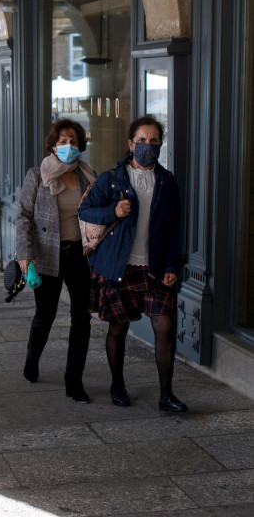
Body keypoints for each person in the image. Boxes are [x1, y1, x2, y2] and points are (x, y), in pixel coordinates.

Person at [78, 116, 186, 412]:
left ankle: (166, 395)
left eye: (153, 141)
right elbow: (86, 210)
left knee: (164, 325)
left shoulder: (167, 182)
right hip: (119, 267)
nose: (147, 146)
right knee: (118, 328)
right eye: (141, 141)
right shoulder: (111, 179)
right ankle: (117, 385)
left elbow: (175, 230)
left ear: (161, 145)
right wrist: (113, 210)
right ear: (130, 144)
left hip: (154, 267)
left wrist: (173, 266)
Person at [16, 119, 97, 403]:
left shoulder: (87, 176)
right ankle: (31, 360)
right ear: (52, 145)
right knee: (45, 316)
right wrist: (25, 255)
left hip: (79, 255)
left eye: (73, 141)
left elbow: (95, 215)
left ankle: (73, 380)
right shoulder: (37, 175)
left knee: (82, 319)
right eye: (63, 141)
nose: (68, 147)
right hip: (47, 254)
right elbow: (24, 216)